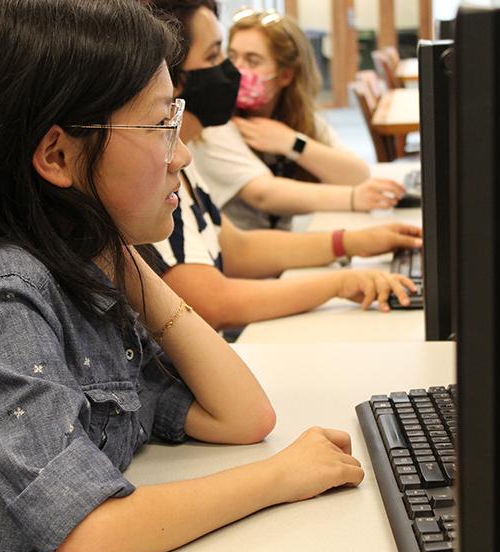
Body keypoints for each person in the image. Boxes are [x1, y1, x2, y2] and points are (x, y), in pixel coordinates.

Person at [0, 1, 366, 552]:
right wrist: (280, 477)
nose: (182, 154)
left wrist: (127, 264)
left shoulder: (89, 273)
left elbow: (243, 417)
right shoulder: (6, 297)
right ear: (58, 156)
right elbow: (93, 534)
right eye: (159, 126)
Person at [147, 0, 421, 330]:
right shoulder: (152, 169)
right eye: (217, 55)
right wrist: (338, 283)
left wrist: (353, 241)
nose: (231, 70)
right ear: (172, 75)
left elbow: (237, 249)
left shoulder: (182, 156)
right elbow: (213, 302)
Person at [188, 6, 406, 231]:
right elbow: (263, 194)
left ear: (285, 75)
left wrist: (292, 143)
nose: (236, 69)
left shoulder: (298, 117)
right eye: (232, 56)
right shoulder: (213, 123)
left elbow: (357, 175)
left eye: (252, 61)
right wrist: (353, 198)